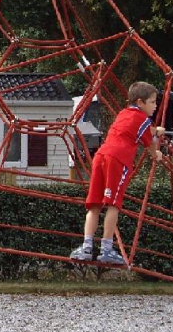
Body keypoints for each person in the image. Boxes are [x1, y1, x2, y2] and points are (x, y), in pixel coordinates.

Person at [70, 81, 165, 265]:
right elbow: (150, 143)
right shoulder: (144, 120)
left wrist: (155, 130)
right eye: (153, 102)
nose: (155, 106)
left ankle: (87, 246)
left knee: (95, 204)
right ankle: (106, 248)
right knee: (113, 204)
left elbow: (136, 130)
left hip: (101, 156)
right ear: (140, 102)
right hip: (118, 160)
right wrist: (157, 154)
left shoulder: (124, 114)